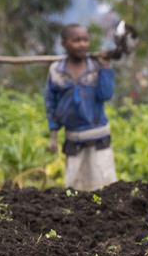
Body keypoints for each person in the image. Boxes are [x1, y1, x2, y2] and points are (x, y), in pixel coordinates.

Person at [47, 23, 118, 192]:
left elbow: (106, 94)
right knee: (74, 185)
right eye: (76, 40)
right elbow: (51, 105)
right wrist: (53, 137)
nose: (82, 45)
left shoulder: (95, 68)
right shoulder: (57, 70)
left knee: (103, 182)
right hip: (73, 137)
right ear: (64, 43)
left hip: (97, 135)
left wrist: (106, 67)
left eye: (85, 40)